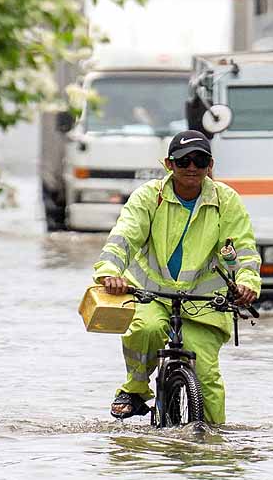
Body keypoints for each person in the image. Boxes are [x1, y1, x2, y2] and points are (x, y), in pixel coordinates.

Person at [93, 130, 261, 423]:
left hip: (205, 303)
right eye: (184, 161)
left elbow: (244, 249)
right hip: (152, 296)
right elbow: (124, 237)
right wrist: (110, 273)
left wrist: (247, 282)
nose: (192, 168)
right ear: (169, 164)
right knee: (146, 330)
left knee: (206, 375)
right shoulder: (149, 197)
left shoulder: (226, 201)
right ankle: (134, 389)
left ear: (210, 165)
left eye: (200, 161)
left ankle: (212, 443)